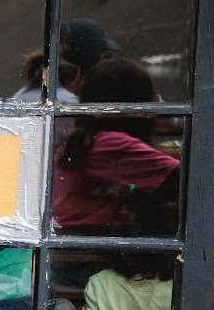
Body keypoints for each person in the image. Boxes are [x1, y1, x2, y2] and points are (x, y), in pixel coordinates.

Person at [53, 56, 180, 232]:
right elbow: (183, 178)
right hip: (93, 241)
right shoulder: (113, 144)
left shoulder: (87, 140)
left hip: (73, 237)